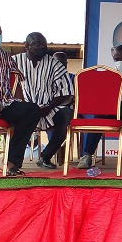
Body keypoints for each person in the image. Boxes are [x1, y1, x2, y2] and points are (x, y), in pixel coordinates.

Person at [77, 45, 122, 170]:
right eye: (117, 59)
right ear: (113, 57)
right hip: (110, 104)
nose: (119, 62)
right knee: (99, 115)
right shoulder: (108, 74)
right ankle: (87, 156)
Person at [0, 19, 40, 176]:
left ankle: (10, 163)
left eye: (0, 33)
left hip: (2, 104)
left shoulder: (4, 55)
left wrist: (21, 105)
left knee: (32, 111)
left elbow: (17, 82)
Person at [12, 32, 74, 169]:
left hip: (48, 108)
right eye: (37, 44)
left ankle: (45, 157)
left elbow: (65, 91)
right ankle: (13, 162)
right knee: (12, 117)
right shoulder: (14, 62)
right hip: (24, 108)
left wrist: (49, 107)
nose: (42, 47)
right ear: (27, 46)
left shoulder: (54, 64)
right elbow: (6, 87)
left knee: (67, 116)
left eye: (44, 44)